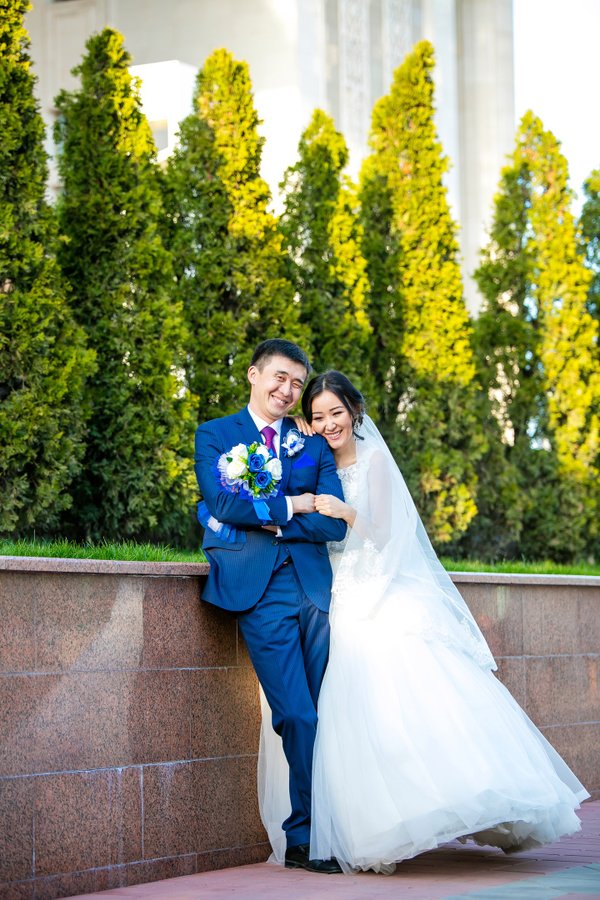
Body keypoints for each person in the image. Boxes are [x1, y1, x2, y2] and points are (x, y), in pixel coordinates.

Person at [257, 370, 589, 875]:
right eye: (318, 416)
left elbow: (387, 536)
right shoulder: (311, 455)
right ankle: (362, 823)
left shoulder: (374, 462)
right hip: (328, 587)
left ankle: (459, 801)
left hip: (374, 583)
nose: (328, 424)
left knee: (404, 684)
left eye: (336, 413)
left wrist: (347, 512)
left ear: (355, 412)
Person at [194, 340, 346, 874]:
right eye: (279, 378)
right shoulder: (216, 435)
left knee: (321, 714)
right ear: (254, 375)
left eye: (297, 383)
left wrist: (280, 521)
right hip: (259, 592)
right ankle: (303, 840)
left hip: (314, 590)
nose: (288, 390)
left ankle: (327, 828)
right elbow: (221, 502)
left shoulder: (312, 446)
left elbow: (333, 524)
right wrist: (292, 503)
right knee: (297, 713)